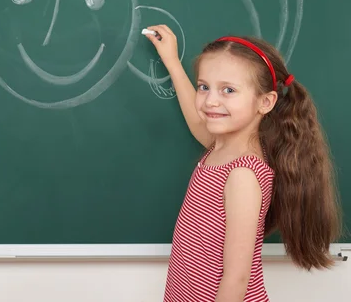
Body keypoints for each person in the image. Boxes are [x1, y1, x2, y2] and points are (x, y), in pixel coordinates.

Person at [143, 25, 343, 302]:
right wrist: (173, 62)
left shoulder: (242, 174)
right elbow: (196, 119)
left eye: (228, 90)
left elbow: (237, 279)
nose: (211, 100)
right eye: (204, 87)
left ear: (265, 102)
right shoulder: (220, 149)